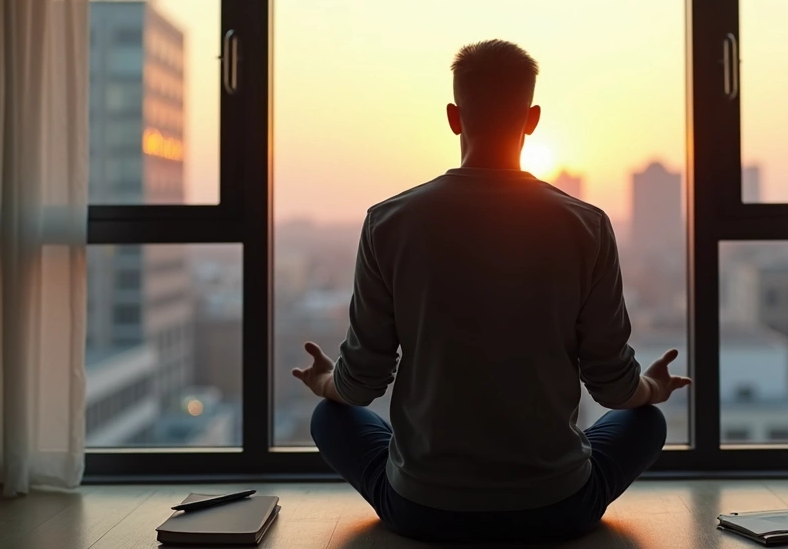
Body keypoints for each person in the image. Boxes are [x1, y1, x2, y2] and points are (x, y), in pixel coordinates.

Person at [291, 39, 691, 543]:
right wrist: (652, 388)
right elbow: (612, 385)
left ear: (455, 117)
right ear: (532, 118)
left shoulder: (388, 222)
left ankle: (426, 472)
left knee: (333, 418)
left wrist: (327, 381)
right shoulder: (585, 225)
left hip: (423, 508)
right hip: (558, 506)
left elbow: (360, 384)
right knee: (646, 424)